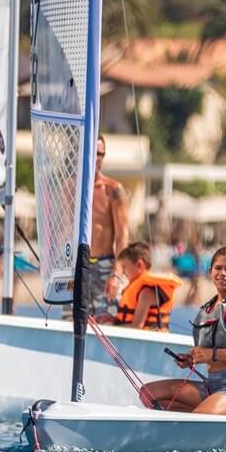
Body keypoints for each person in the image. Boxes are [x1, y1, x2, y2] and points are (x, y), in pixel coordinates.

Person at [144, 247, 226, 415]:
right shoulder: (208, 307)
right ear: (210, 271)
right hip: (211, 385)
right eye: (218, 268)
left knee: (196, 420)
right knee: (148, 393)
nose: (223, 273)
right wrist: (192, 358)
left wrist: (211, 354)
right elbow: (208, 352)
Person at [86, 135, 130, 319]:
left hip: (105, 265)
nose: (96, 157)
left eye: (100, 154)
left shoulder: (113, 190)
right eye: (93, 152)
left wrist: (117, 273)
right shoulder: (69, 187)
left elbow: (122, 236)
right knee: (71, 325)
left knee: (107, 321)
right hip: (78, 267)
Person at [99, 241, 180, 331]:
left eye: (125, 267)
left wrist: (110, 327)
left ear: (139, 264)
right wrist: (112, 320)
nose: (123, 272)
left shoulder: (146, 292)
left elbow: (137, 327)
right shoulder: (139, 289)